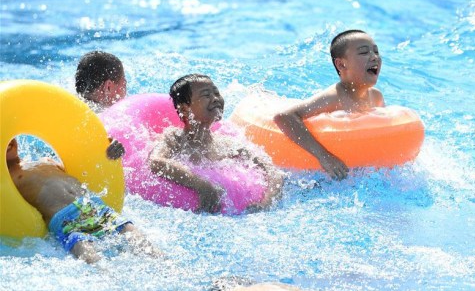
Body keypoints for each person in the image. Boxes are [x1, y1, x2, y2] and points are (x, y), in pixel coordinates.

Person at [6, 138, 160, 264]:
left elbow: (89, 161)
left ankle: (165, 267)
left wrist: (107, 152)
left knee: (143, 244)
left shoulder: (46, 160)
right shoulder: (7, 179)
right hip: (66, 221)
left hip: (94, 206)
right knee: (93, 261)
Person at [149, 74, 284, 213]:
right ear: (184, 109)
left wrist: (266, 202)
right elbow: (156, 161)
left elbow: (273, 172)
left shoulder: (227, 144)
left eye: (217, 93)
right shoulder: (175, 139)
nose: (215, 99)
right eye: (206, 95)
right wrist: (201, 185)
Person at [274, 30, 385, 180]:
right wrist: (324, 157)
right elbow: (284, 117)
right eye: (364, 52)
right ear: (341, 64)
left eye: (376, 52)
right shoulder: (334, 98)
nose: (374, 57)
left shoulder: (376, 97)